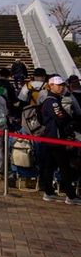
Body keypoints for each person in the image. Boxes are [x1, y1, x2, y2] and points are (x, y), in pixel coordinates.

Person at [36, 75, 81, 204]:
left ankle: (48, 192)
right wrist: (71, 125)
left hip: (50, 138)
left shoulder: (54, 99)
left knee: (50, 166)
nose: (62, 87)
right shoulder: (52, 101)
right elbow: (62, 118)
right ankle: (71, 196)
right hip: (55, 138)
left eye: (63, 85)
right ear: (51, 85)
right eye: (59, 85)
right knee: (64, 166)